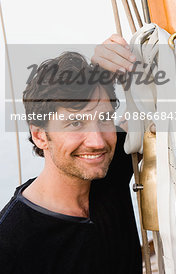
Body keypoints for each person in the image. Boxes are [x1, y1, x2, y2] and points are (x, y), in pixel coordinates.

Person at [0, 34, 142, 274]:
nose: (98, 142)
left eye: (105, 118)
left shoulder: (106, 169)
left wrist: (107, 63)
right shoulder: (11, 244)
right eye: (75, 123)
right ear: (40, 136)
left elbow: (153, 106)